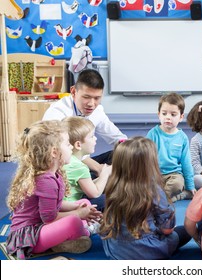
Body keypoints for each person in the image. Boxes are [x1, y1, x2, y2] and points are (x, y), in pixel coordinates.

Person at [5, 120, 101, 260]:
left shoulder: (53, 174)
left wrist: (76, 206)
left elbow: (55, 205)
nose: (71, 148)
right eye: (68, 144)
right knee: (73, 221)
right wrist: (78, 213)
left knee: (83, 201)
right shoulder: (46, 181)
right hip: (30, 237)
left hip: (40, 227)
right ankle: (86, 231)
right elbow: (50, 218)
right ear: (55, 152)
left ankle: (73, 234)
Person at [100, 137, 191, 259]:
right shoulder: (154, 190)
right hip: (146, 251)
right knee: (186, 230)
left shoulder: (112, 185)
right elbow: (167, 230)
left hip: (115, 250)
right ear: (149, 164)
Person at [42, 69, 127, 176]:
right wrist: (97, 168)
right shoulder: (57, 113)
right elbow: (55, 152)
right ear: (73, 92)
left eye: (97, 98)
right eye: (86, 97)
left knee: (124, 154)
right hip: (61, 165)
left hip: (81, 162)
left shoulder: (97, 111)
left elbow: (117, 138)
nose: (91, 104)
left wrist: (130, 148)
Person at [146, 92, 195, 202]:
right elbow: (145, 157)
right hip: (155, 174)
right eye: (164, 114)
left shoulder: (182, 137)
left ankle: (158, 200)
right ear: (159, 114)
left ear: (181, 117)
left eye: (173, 115)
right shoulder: (153, 134)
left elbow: (186, 163)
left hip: (173, 175)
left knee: (177, 184)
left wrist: (190, 186)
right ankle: (174, 197)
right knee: (144, 186)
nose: (168, 117)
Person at [62, 116, 112, 212]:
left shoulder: (70, 161)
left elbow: (88, 186)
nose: (95, 139)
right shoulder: (79, 167)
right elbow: (95, 193)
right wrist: (105, 174)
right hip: (72, 207)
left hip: (67, 203)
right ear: (78, 145)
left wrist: (104, 177)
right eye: (92, 136)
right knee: (112, 199)